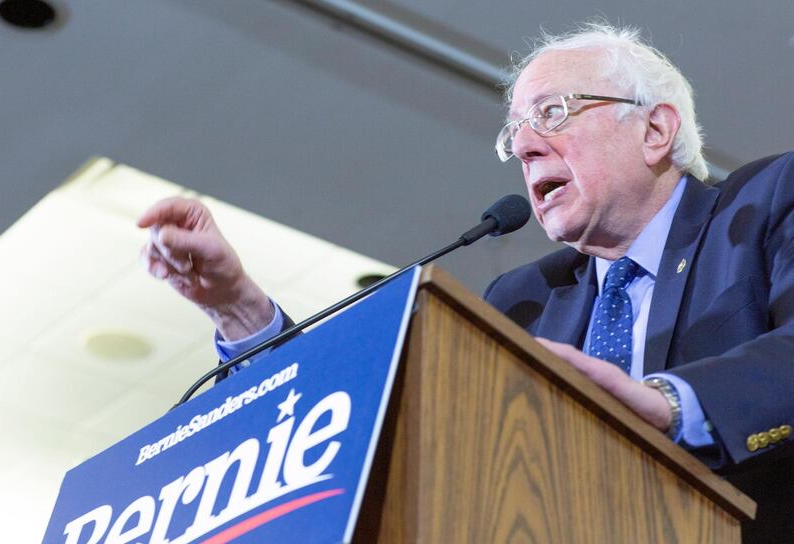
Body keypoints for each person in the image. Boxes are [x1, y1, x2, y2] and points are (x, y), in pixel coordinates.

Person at [138, 23, 793, 543]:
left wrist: (669, 404)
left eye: (555, 112)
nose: (528, 145)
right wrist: (239, 310)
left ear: (655, 129)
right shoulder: (524, 302)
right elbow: (364, 425)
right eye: (517, 131)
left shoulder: (766, 204)